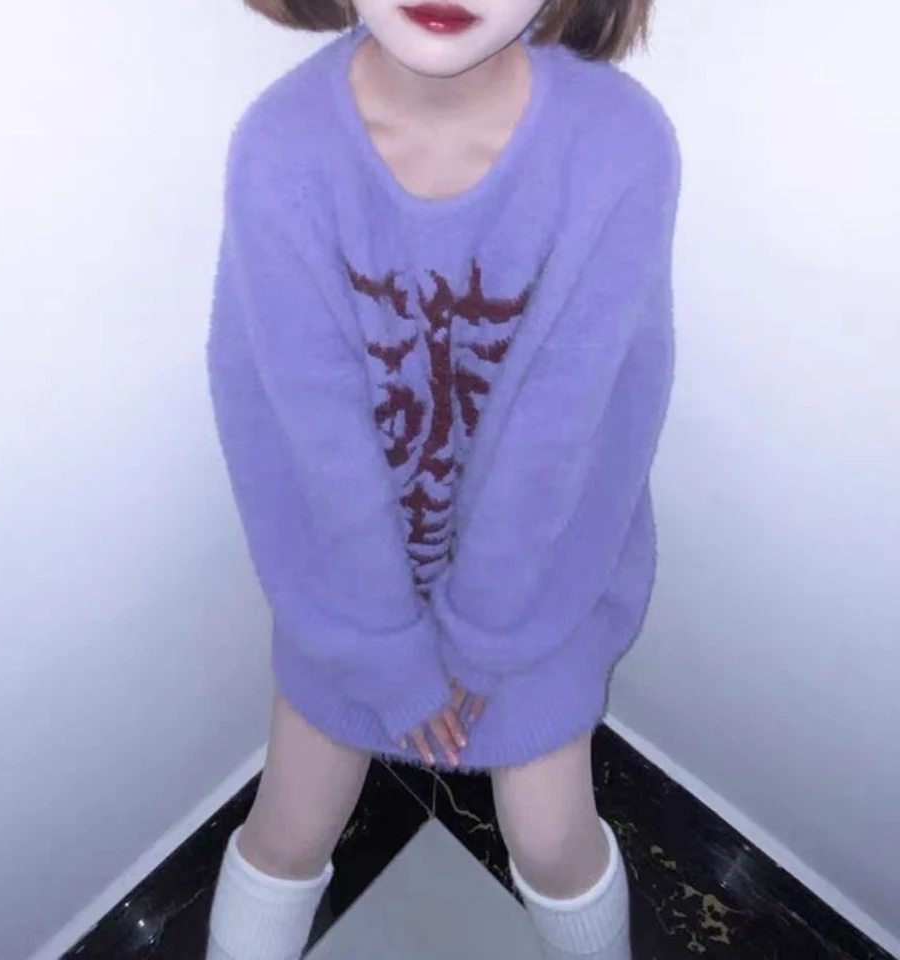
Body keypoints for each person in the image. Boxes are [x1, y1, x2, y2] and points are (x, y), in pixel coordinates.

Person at [204, 0, 679, 955]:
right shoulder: (281, 149)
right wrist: (378, 646)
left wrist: (484, 637)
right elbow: (297, 434)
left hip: (542, 581)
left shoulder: (620, 147)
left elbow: (573, 430)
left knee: (551, 836)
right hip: (343, 584)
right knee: (288, 825)